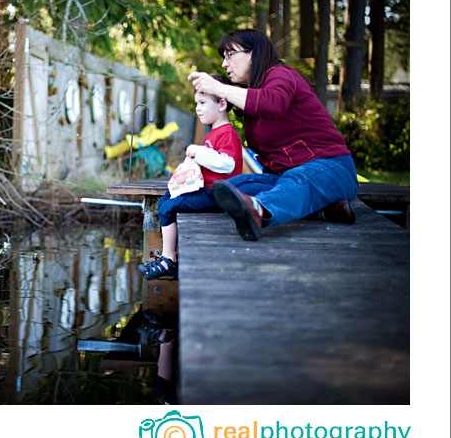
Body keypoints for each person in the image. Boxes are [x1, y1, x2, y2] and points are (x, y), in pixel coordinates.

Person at [189, 28, 358, 241]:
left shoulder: (280, 74)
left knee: (297, 181)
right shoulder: (252, 96)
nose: (224, 64)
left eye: (230, 55)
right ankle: (324, 209)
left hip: (331, 168)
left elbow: (272, 103)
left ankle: (259, 211)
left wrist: (221, 89)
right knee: (235, 187)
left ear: (253, 54)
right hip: (284, 176)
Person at [138, 77, 243, 280]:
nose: (197, 108)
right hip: (207, 189)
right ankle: (170, 256)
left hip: (218, 194)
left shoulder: (227, 133)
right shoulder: (212, 133)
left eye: (203, 103)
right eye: (196, 103)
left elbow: (227, 163)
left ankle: (169, 259)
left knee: (168, 207)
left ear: (222, 104)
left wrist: (199, 152)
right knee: (165, 200)